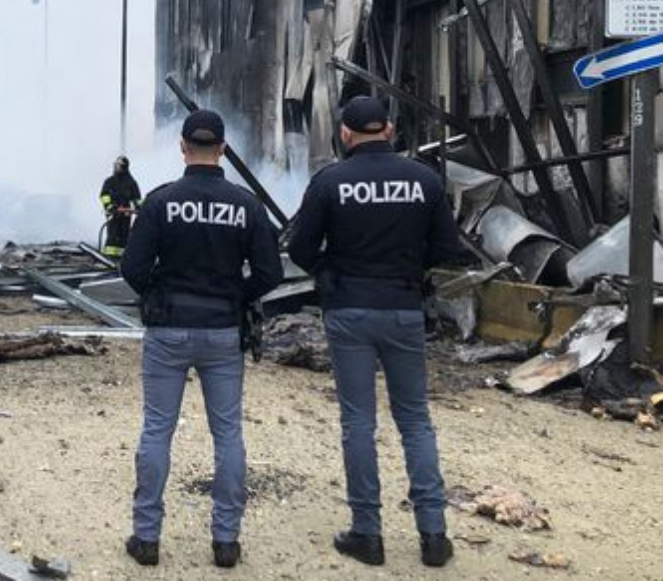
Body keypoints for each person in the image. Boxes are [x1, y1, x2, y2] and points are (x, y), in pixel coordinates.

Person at [286, 95, 463, 569]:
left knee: (358, 422)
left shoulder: (330, 181)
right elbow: (449, 246)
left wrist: (330, 270)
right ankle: (434, 535)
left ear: (345, 134)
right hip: (403, 307)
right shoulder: (424, 179)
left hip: (349, 310)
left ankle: (368, 532)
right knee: (415, 421)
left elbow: (299, 245)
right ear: (388, 128)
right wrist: (410, 269)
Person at [119, 110, 283, 569]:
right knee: (227, 434)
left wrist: (159, 293)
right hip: (222, 332)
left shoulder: (161, 201)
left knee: (157, 429)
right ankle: (226, 542)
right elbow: (270, 273)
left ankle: (147, 538)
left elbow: (131, 269)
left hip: (168, 328)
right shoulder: (246, 204)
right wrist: (235, 296)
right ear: (225, 149)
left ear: (182, 147)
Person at [100, 156, 141, 259]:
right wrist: (109, 206)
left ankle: (122, 260)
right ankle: (109, 259)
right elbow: (104, 195)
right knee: (112, 237)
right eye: (116, 165)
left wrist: (139, 208)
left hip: (125, 215)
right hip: (113, 214)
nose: (116, 167)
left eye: (118, 166)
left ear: (124, 167)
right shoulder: (109, 181)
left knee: (124, 237)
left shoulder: (131, 182)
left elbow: (137, 198)